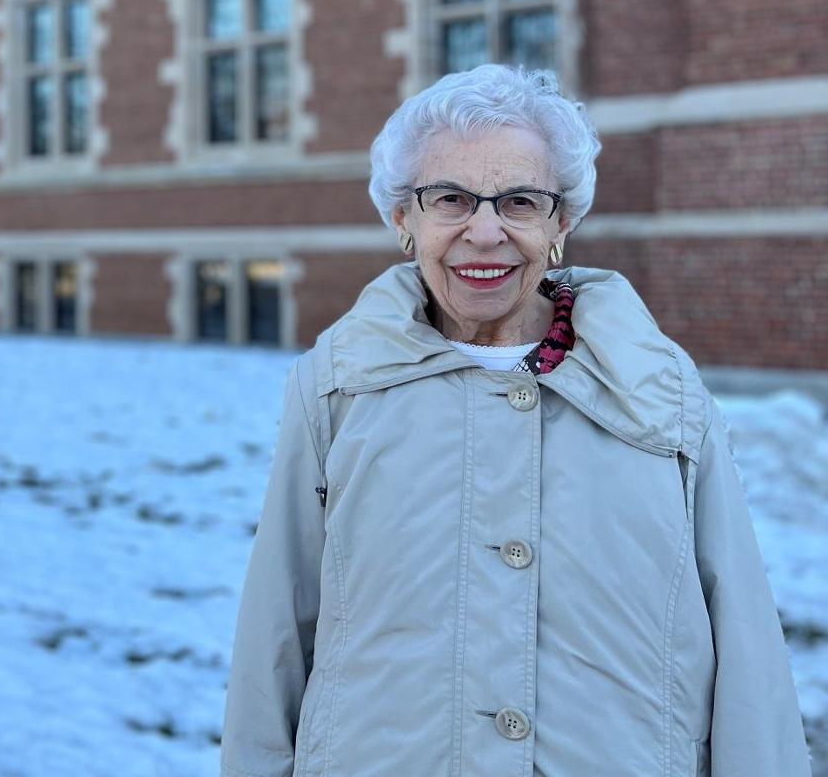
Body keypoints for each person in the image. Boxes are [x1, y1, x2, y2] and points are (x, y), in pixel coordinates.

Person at [219, 64, 812, 777]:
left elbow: (745, 644)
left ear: (561, 223)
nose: (485, 231)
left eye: (520, 202)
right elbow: (277, 630)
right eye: (451, 198)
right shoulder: (339, 388)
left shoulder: (661, 396)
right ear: (405, 220)